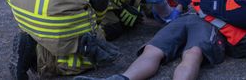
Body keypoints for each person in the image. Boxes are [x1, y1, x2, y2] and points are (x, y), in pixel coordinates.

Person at [74, 14, 226, 80]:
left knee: (193, 52)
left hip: (209, 19)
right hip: (184, 16)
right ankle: (121, 78)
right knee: (152, 49)